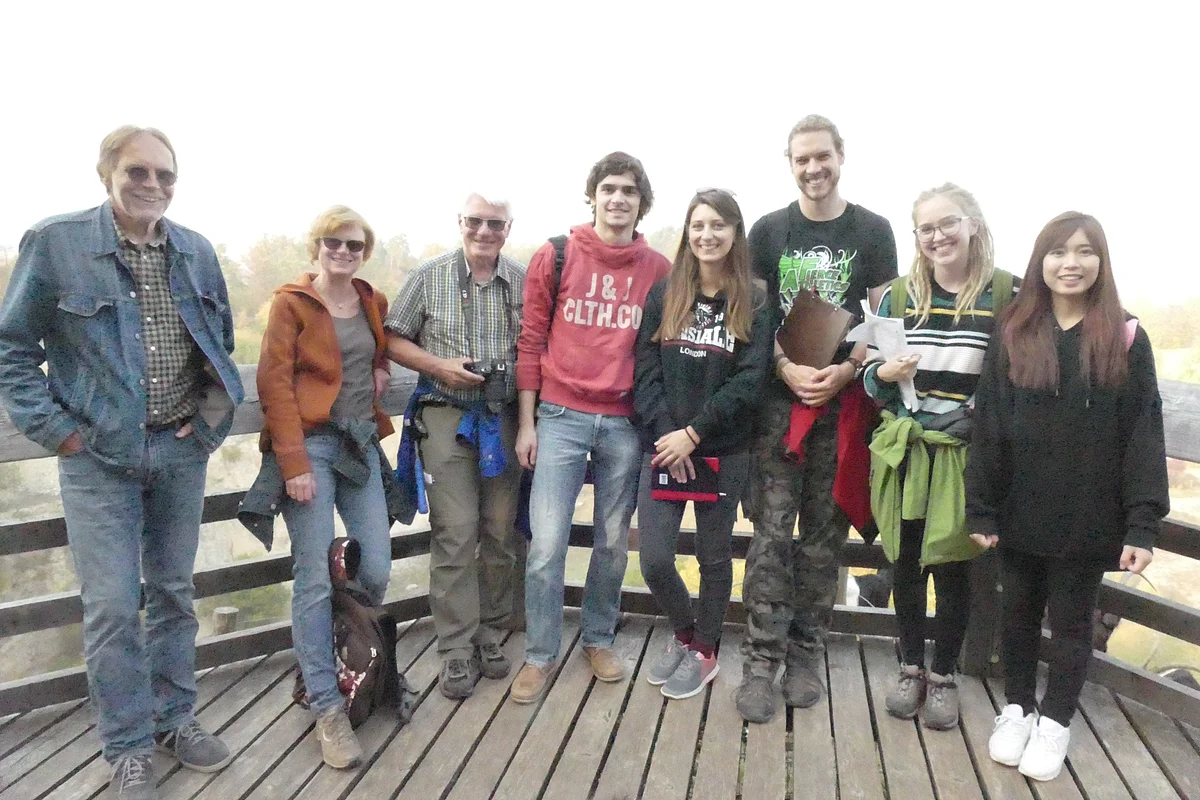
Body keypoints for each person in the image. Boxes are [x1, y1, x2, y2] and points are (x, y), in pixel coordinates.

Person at [0, 126, 243, 799]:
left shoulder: (195, 250)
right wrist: (59, 432)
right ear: (106, 172)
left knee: (172, 593)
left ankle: (174, 720)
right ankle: (128, 745)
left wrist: (206, 421)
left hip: (179, 450)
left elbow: (218, 342)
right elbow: (11, 350)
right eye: (138, 171)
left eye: (165, 175)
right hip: (97, 460)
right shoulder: (56, 243)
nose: (153, 185)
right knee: (111, 606)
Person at [966, 212, 1169, 781]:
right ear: (1041, 262)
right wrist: (981, 506)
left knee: (1073, 624)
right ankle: (1017, 709)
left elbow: (1143, 431)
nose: (1070, 264)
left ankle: (1055, 721)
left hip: (1089, 514)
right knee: (1017, 615)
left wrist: (1142, 524)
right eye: (1058, 252)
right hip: (1019, 507)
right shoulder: (1014, 330)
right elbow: (990, 423)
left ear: (1101, 262)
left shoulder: (1125, 337)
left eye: (1084, 252)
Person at [738, 115, 898, 723]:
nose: (813, 168)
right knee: (772, 537)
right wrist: (783, 367)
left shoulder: (873, 231)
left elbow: (883, 318)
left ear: (840, 156)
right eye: (801, 158)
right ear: (790, 163)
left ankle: (806, 655)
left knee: (823, 541)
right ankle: (760, 659)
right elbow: (754, 317)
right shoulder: (769, 230)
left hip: (842, 406)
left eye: (822, 156)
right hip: (779, 409)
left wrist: (849, 369)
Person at [510, 152, 671, 704]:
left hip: (625, 422)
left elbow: (664, 348)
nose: (618, 199)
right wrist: (527, 424)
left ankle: (598, 637)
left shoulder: (657, 270)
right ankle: (540, 653)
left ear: (641, 202)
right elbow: (530, 342)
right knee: (546, 543)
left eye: (629, 190)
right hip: (559, 416)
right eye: (609, 189)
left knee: (612, 542)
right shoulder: (556, 255)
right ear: (594, 196)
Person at [864, 183, 1014, 730]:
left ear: (973, 224)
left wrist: (978, 416)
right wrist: (883, 373)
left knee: (953, 569)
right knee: (904, 563)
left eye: (948, 223)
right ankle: (910, 667)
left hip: (963, 454)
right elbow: (869, 377)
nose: (937, 236)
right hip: (906, 450)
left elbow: (1020, 373)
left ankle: (944, 674)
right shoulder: (900, 296)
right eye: (926, 228)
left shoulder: (1007, 294)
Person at [256, 206, 395, 770]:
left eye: (354, 245)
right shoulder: (291, 303)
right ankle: (326, 704)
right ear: (316, 246)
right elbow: (273, 382)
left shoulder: (371, 299)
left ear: (365, 252)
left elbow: (374, 351)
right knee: (313, 576)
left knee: (377, 566)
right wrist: (292, 463)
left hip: (358, 444)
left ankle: (350, 655)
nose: (343, 252)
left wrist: (381, 370)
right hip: (309, 447)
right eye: (333, 242)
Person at [633, 189, 772, 699]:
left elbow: (751, 380)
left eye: (718, 225)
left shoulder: (755, 299)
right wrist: (669, 435)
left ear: (735, 232)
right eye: (698, 226)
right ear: (687, 233)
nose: (707, 235)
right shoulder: (665, 294)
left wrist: (695, 434)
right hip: (665, 446)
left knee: (714, 557)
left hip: (722, 448)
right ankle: (685, 631)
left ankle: (706, 650)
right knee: (654, 559)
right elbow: (645, 371)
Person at [385, 192, 524, 700]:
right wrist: (438, 366)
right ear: (460, 222)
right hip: (445, 413)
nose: (485, 232)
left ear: (508, 228)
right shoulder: (429, 276)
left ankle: (489, 630)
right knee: (456, 531)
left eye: (496, 224)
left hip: (504, 417)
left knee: (500, 530)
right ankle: (455, 647)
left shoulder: (523, 280)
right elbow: (392, 338)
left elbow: (539, 345)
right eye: (476, 221)